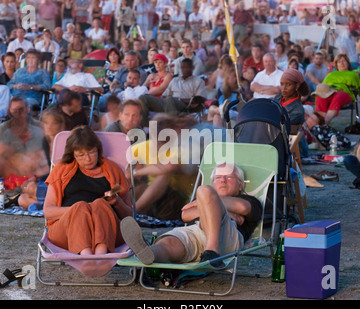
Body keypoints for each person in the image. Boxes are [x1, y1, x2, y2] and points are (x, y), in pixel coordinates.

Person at [120, 162, 262, 266]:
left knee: (203, 190)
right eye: (218, 177)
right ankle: (148, 252)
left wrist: (207, 202)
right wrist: (210, 205)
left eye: (229, 177)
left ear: (240, 185)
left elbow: (243, 207)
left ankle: (212, 252)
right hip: (196, 232)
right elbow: (185, 215)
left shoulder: (249, 200)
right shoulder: (204, 197)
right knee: (168, 243)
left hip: (227, 238)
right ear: (213, 183)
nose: (223, 180)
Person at [43, 125, 133, 255]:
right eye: (81, 155)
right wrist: (84, 210)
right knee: (80, 207)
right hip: (66, 231)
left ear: (98, 149)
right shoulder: (61, 170)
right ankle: (86, 256)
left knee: (100, 204)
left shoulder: (113, 170)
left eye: (91, 152)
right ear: (73, 155)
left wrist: (117, 202)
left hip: (107, 230)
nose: (88, 159)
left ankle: (100, 254)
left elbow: (129, 216)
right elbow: (48, 211)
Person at [139, 58, 207, 121]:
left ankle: (171, 126)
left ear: (192, 68)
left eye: (188, 67)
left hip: (184, 106)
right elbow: (165, 95)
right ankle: (146, 125)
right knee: (143, 97)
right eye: (183, 67)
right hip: (167, 103)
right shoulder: (175, 80)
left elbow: (201, 99)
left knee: (170, 100)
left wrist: (179, 100)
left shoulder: (198, 81)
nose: (185, 69)